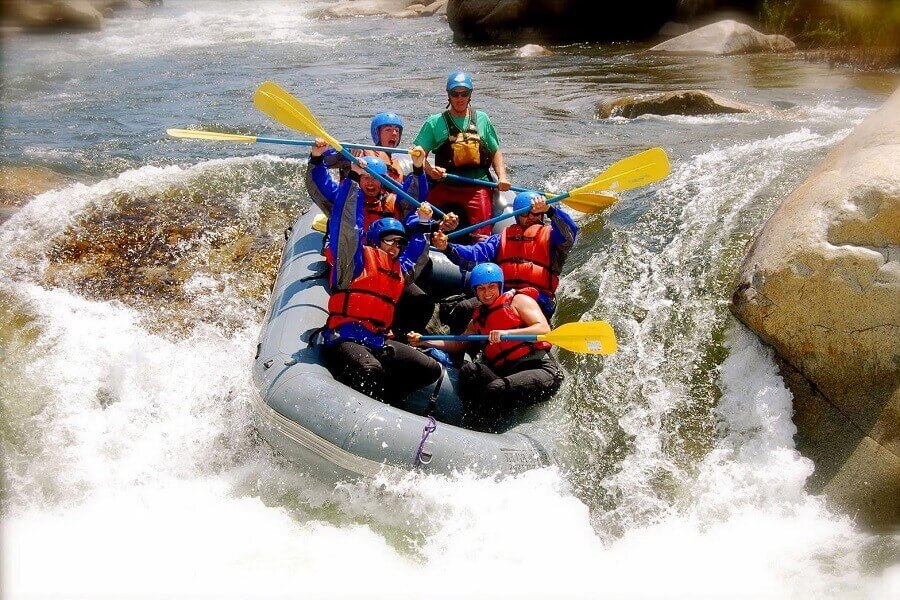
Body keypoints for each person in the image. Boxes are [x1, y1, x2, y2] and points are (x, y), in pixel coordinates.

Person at [322, 168, 441, 403]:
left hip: (377, 340)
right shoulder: (354, 262)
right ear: (377, 240)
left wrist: (425, 223)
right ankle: (362, 406)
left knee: (430, 368)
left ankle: (391, 396)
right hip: (344, 337)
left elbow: (416, 253)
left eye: (400, 242)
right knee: (369, 368)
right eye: (390, 240)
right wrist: (353, 181)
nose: (396, 247)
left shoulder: (398, 271)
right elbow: (347, 226)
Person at [409, 263, 563, 430]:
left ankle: (482, 429)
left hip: (541, 370)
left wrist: (507, 334)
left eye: (491, 287)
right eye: (481, 288)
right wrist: (424, 340)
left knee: (496, 389)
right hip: (509, 374)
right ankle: (470, 420)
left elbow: (543, 329)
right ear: (475, 291)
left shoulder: (518, 301)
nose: (487, 293)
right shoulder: (477, 320)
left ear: (500, 286)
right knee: (471, 371)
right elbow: (457, 344)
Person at [432, 190, 578, 329]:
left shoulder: (553, 239)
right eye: (525, 214)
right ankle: (460, 349)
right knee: (464, 308)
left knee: (508, 313)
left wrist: (550, 210)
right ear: (516, 215)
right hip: (501, 295)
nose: (531, 217)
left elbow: (569, 234)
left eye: (536, 213)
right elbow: (473, 255)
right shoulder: (500, 239)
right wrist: (447, 247)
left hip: (537, 298)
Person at [413, 71, 510, 240]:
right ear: (448, 96)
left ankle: (479, 251)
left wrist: (502, 176)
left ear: (470, 95)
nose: (460, 98)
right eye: (455, 94)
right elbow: (417, 153)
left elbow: (495, 151)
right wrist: (429, 170)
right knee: (423, 219)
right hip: (445, 185)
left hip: (476, 187)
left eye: (464, 94)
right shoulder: (434, 122)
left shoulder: (482, 119)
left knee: (481, 235)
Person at [306, 137, 429, 234]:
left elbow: (415, 198)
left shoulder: (395, 202)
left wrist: (418, 168)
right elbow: (320, 184)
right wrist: (316, 157)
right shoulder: (341, 200)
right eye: (366, 177)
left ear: (382, 181)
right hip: (352, 258)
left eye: (375, 178)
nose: (370, 182)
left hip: (385, 256)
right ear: (359, 178)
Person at [323, 112, 406, 184]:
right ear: (377, 134)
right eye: (388, 130)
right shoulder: (362, 154)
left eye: (397, 130)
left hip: (383, 200)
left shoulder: (397, 163)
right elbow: (325, 160)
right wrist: (348, 152)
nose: (394, 134)